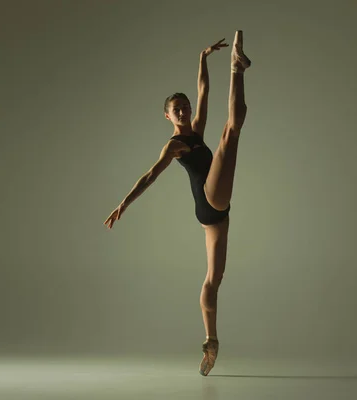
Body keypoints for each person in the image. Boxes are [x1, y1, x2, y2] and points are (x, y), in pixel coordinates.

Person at [104, 30, 251, 376]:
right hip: (211, 200)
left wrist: (202, 57)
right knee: (231, 131)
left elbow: (203, 91)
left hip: (216, 216)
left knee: (214, 280)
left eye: (184, 106)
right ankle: (238, 68)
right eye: (176, 109)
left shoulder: (195, 132)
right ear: (167, 116)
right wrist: (124, 204)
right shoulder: (175, 146)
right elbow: (150, 176)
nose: (184, 110)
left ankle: (210, 341)